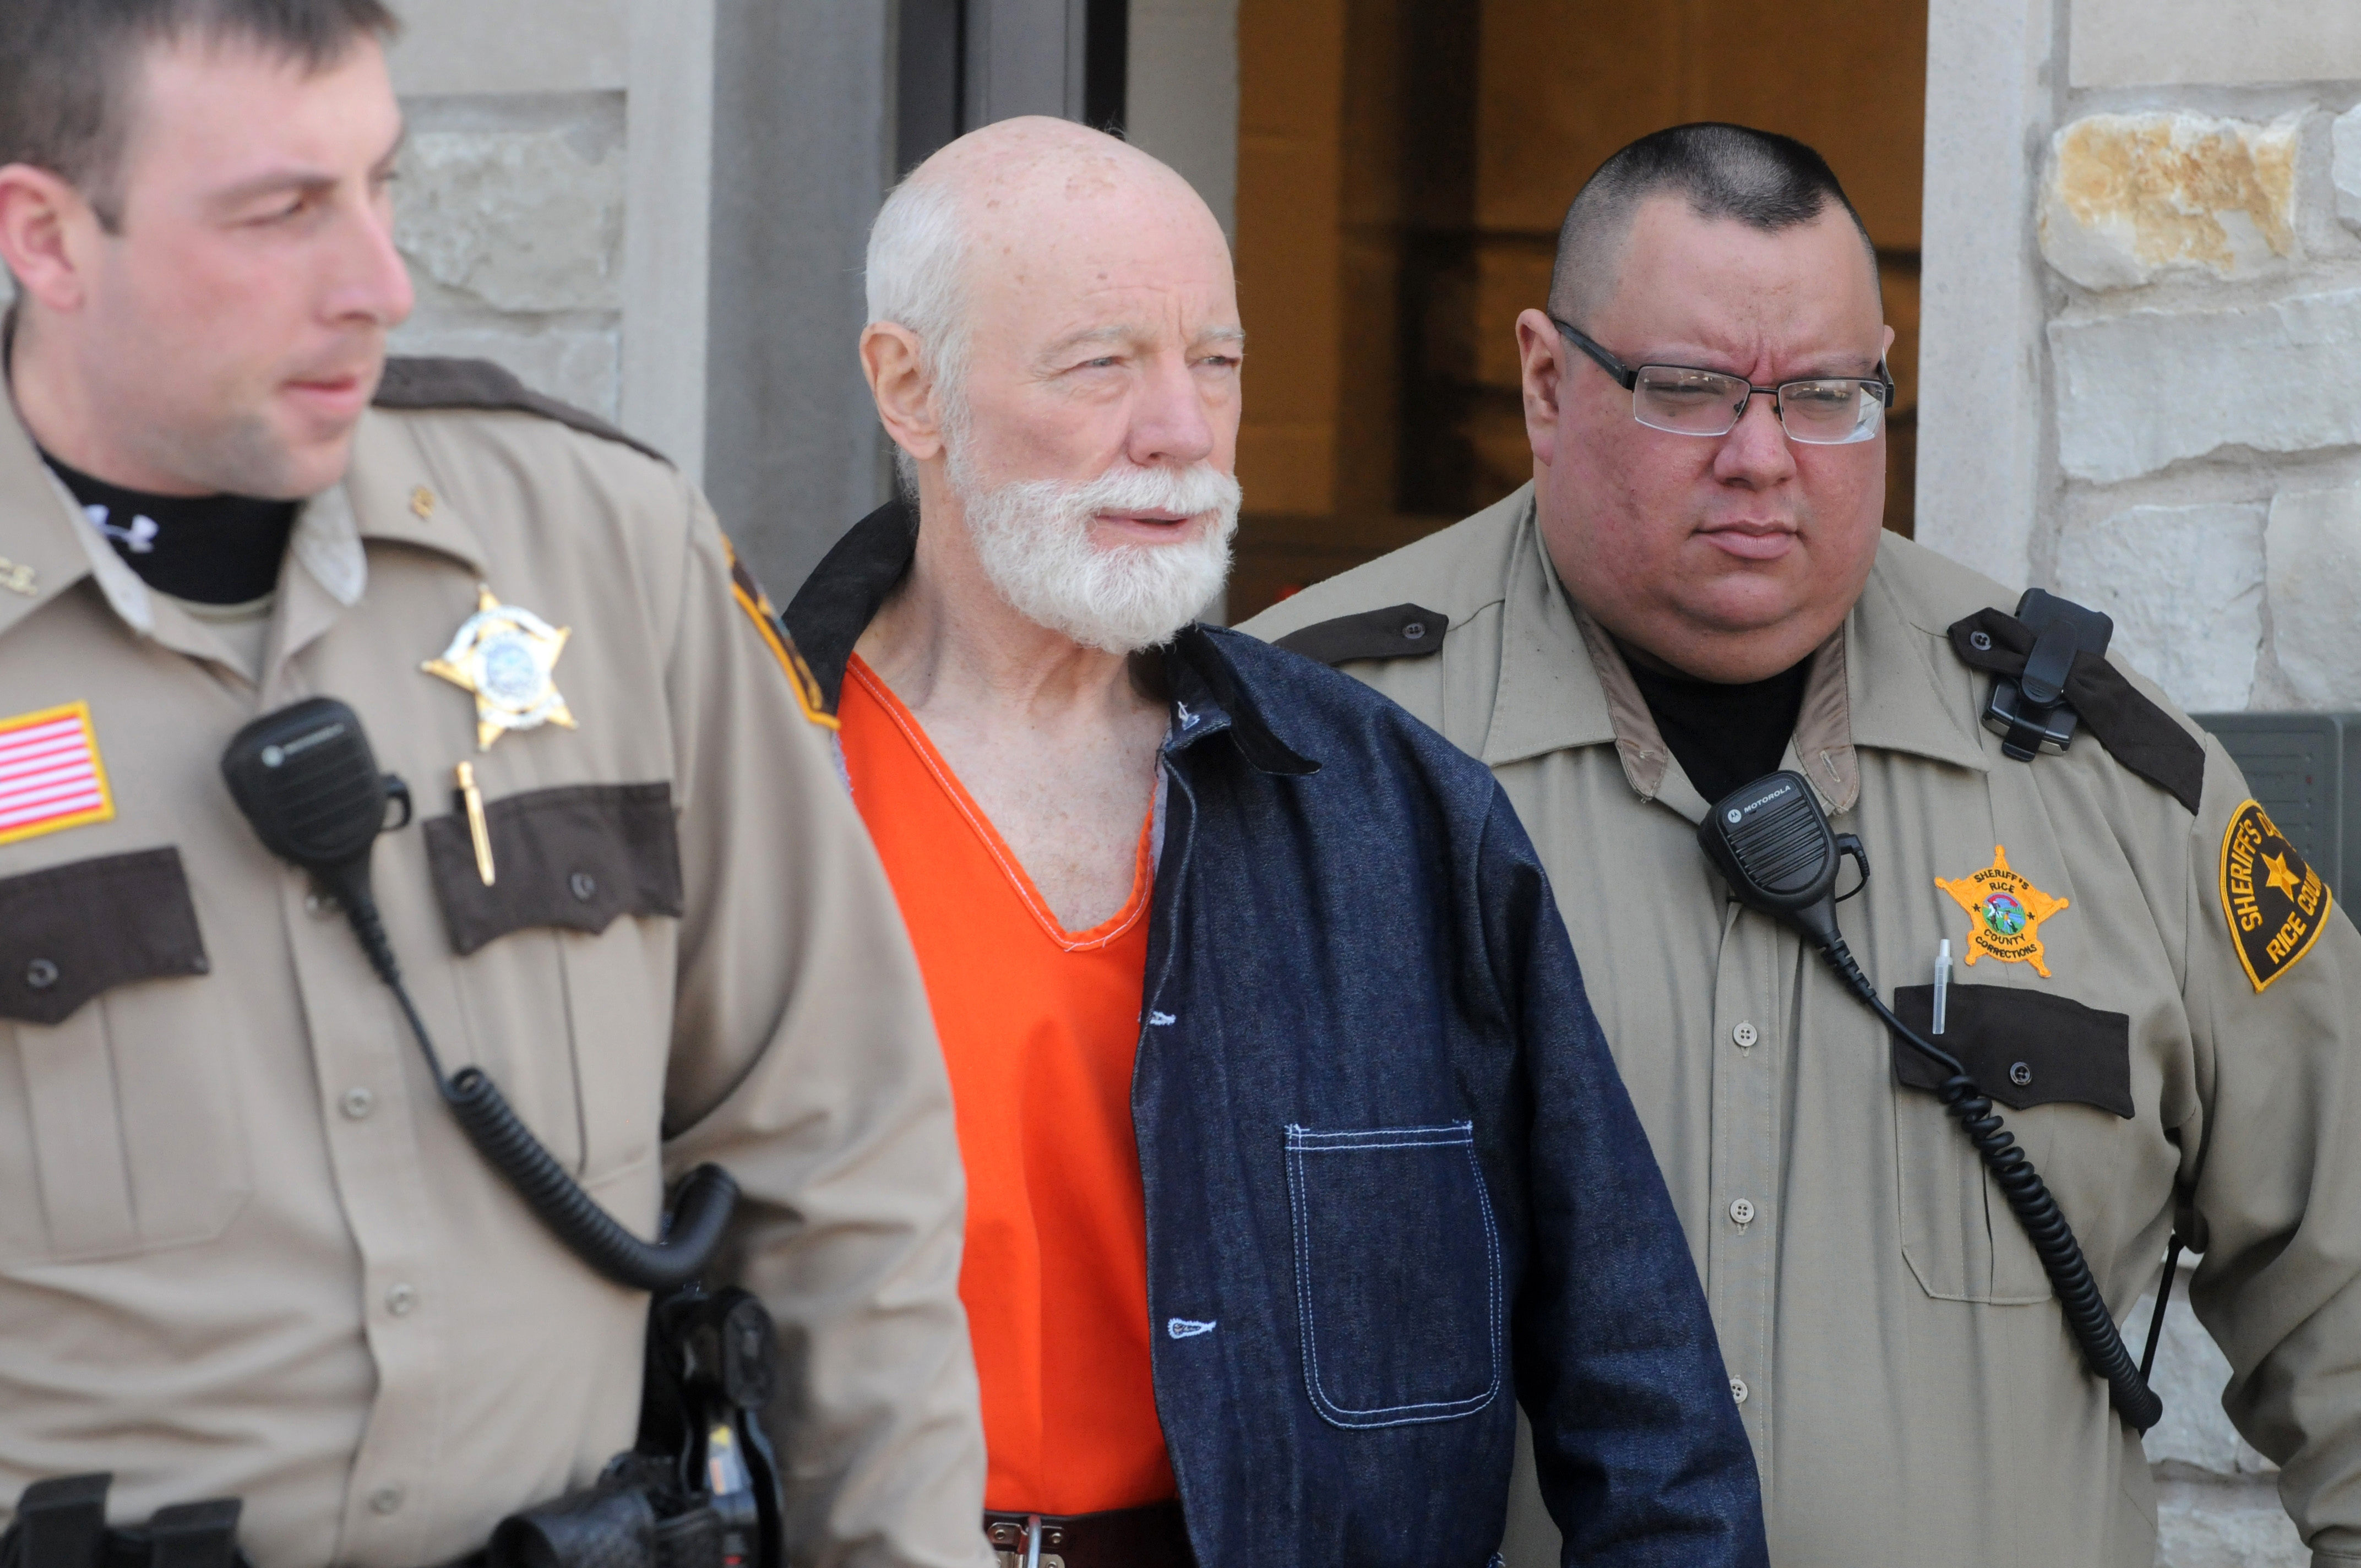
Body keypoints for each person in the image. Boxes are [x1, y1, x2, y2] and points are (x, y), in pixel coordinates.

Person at [1244, 121, 2361, 1567]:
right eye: (1692, 391)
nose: (1763, 458)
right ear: (1545, 380)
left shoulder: (2115, 781)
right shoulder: (1309, 752)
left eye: (1826, 394)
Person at [0, 4, 987, 1565]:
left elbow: (836, 1160)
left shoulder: (604, 547)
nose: (377, 284)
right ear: (45, 238)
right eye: (280, 215)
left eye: (382, 187)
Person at [781, 116, 1766, 1568]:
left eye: (1217, 361)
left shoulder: (1390, 811)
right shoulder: (738, 790)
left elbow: (1644, 1404)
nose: (1181, 429)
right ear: (908, 389)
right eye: (1103, 363)